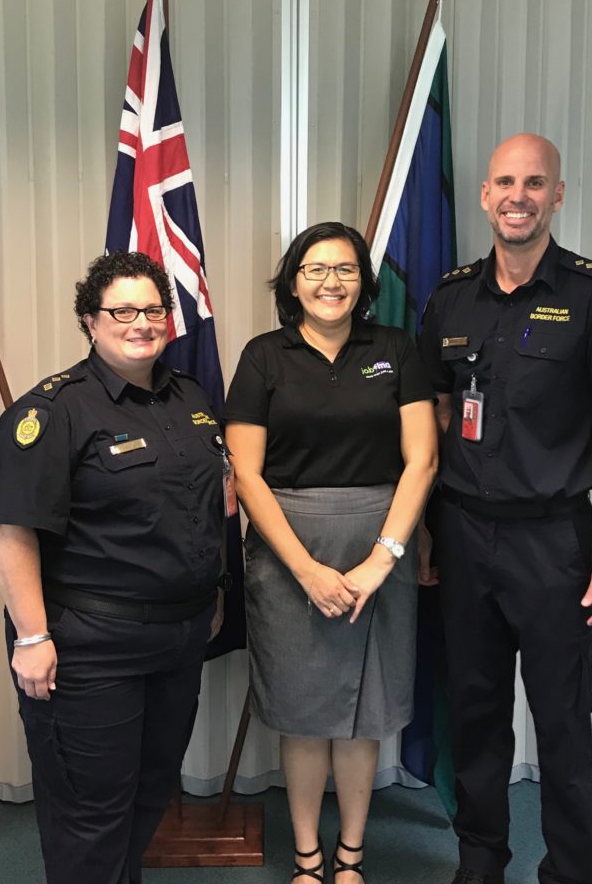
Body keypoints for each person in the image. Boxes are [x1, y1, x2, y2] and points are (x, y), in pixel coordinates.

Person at [419, 133, 592, 884]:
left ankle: (572, 870)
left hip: (552, 541)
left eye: (534, 183)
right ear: (485, 196)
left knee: (562, 722)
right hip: (461, 534)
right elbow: (432, 411)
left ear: (557, 194)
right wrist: (428, 530)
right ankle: (481, 860)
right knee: (476, 712)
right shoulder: (451, 294)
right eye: (504, 183)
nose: (516, 196)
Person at [0, 251, 228, 884]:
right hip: (89, 647)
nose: (141, 322)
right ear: (90, 320)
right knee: (91, 815)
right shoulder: (53, 411)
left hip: (177, 640)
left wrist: (212, 587)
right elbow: (11, 529)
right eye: (123, 310)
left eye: (152, 309)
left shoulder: (191, 397)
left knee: (149, 796)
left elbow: (205, 502)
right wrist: (32, 637)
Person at [224, 221, 437, 883]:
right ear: (293, 282)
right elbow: (247, 472)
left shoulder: (397, 349)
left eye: (344, 269)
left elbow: (423, 460)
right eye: (315, 269)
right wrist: (307, 570)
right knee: (304, 711)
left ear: (363, 283)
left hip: (382, 547)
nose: (330, 282)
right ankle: (308, 858)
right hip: (290, 553)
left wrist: (382, 559)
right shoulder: (264, 356)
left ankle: (351, 854)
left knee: (364, 713)